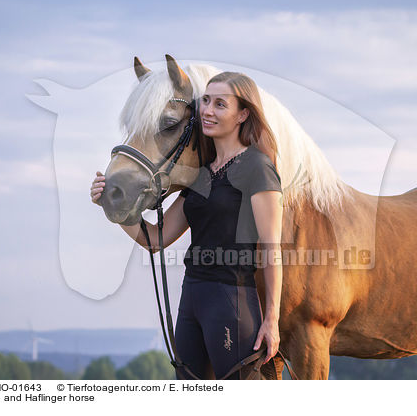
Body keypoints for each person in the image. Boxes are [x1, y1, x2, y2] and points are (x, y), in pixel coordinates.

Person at [91, 71, 283, 380]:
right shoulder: (201, 175)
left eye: (221, 104)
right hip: (192, 300)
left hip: (231, 301)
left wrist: (271, 318)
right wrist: (113, 206)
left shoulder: (257, 168)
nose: (208, 110)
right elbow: (156, 239)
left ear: (243, 114)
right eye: (206, 101)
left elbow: (272, 248)